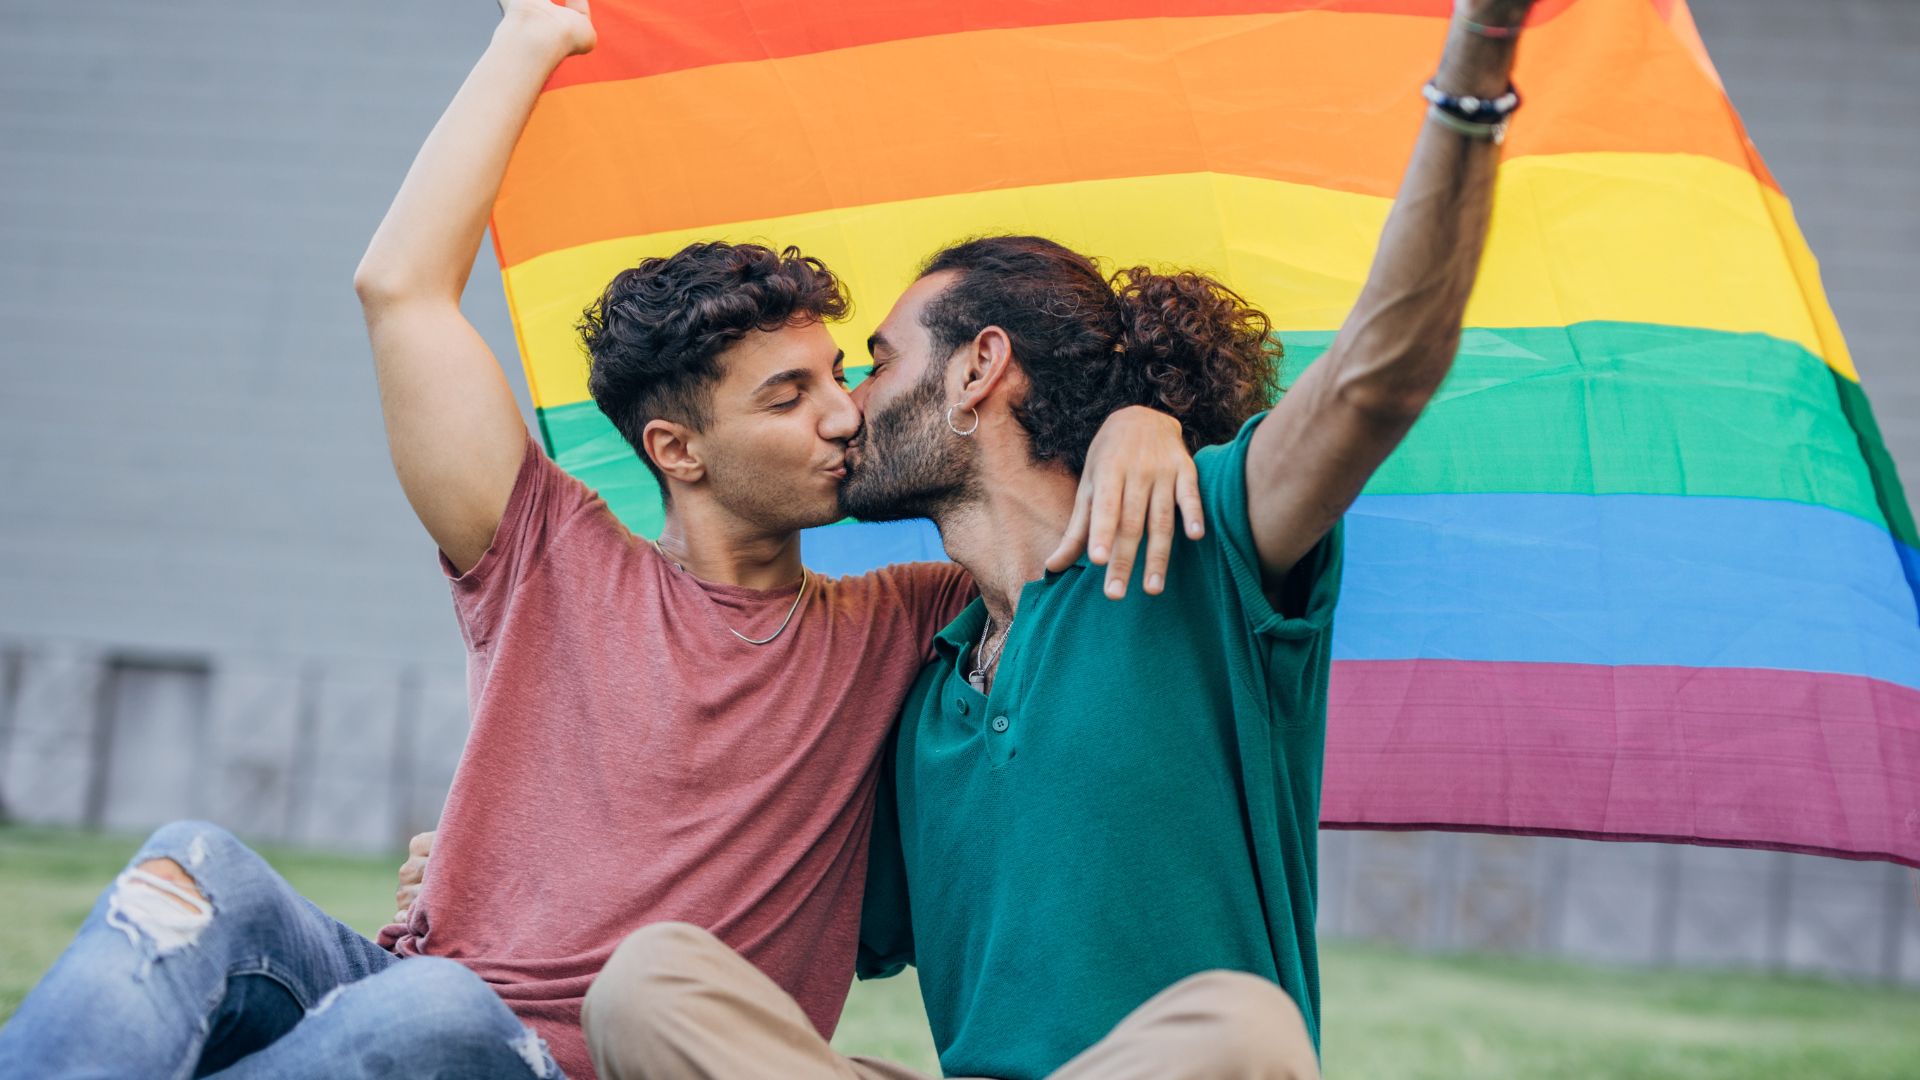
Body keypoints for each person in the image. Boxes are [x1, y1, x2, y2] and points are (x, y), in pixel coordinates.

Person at [0, 1, 1203, 1077]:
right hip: (408, 997)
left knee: (433, 1014)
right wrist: (531, 36)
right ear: (678, 451)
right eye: (787, 399)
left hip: (540, 1056)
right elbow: (401, 291)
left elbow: (1054, 527)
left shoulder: (906, 624)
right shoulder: (543, 556)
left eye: (837, 373)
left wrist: (1143, 425)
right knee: (192, 864)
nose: (845, 414)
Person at [573, 1, 1544, 1078]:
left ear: (980, 369)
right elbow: (739, 889)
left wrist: (1478, 66)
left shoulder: (1198, 542)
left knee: (1240, 1028)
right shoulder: (921, 689)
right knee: (651, 984)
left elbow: (1380, 372)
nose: (846, 410)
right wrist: (498, 863)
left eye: (878, 363)